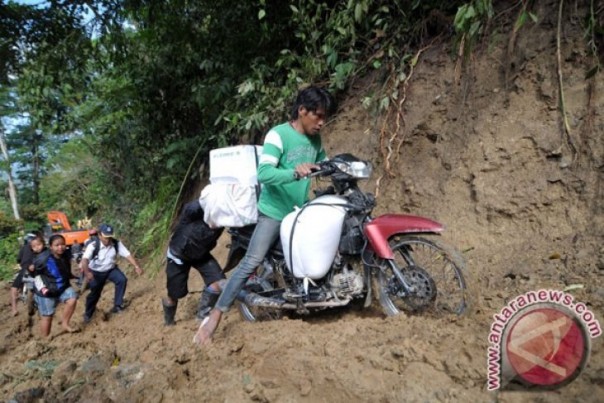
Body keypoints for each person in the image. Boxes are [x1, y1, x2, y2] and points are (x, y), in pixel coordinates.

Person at [194, 85, 335, 345]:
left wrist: (337, 168)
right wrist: (295, 171)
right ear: (302, 111)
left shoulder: (315, 139)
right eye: (318, 115)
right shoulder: (278, 135)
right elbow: (265, 173)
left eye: (325, 116)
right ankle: (213, 318)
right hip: (274, 212)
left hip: (299, 210)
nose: (322, 122)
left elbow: (323, 165)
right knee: (251, 261)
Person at [161, 200, 226, 326]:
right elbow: (190, 207)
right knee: (174, 295)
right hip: (178, 254)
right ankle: (168, 322)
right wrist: (208, 201)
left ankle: (202, 316)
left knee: (218, 283)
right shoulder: (193, 213)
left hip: (201, 254)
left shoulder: (225, 218)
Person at [80, 223, 144, 323]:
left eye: (110, 237)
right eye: (105, 237)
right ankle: (88, 314)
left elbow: (127, 254)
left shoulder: (116, 243)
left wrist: (136, 266)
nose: (108, 240)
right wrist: (87, 273)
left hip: (110, 270)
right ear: (99, 235)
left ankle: (117, 305)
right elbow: (84, 260)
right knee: (95, 293)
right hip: (96, 272)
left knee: (121, 280)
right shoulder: (93, 245)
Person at [31, 234, 78, 336]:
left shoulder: (66, 254)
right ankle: (45, 339)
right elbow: (36, 277)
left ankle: (65, 324)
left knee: (72, 299)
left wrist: (71, 275)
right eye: (57, 245)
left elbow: (66, 268)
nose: (60, 247)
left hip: (62, 287)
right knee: (47, 317)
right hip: (46, 291)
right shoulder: (42, 259)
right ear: (51, 247)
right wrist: (43, 289)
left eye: (62, 244)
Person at [10, 233, 45, 316]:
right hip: (36, 271)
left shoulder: (24, 248)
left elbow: (18, 259)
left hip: (24, 270)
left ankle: (14, 309)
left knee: (13, 288)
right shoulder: (41, 249)